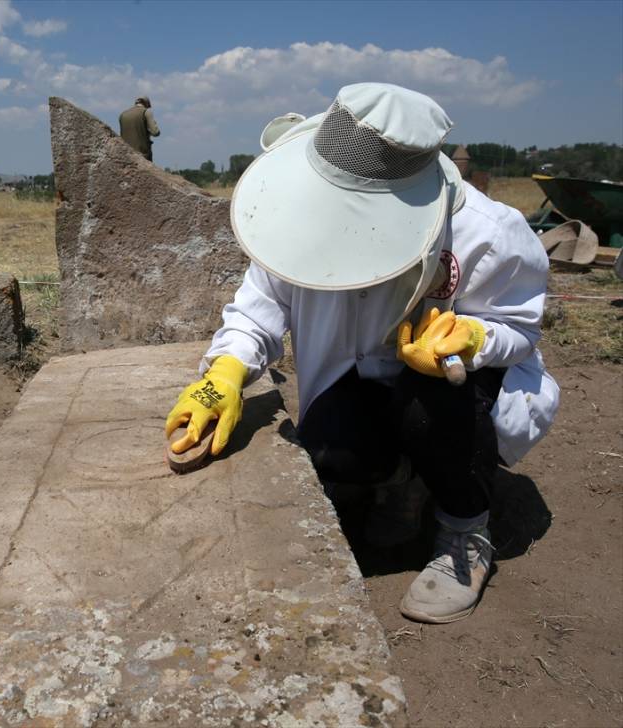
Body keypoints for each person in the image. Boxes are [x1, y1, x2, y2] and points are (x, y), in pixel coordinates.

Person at [165, 83, 558, 624]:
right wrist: (226, 372)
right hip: (356, 383)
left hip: (448, 396)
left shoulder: (484, 232)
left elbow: (518, 327)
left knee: (429, 405)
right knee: (325, 449)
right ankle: (404, 480)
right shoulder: (293, 208)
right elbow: (258, 309)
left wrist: (471, 339)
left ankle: (464, 529)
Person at [119, 96, 161, 161]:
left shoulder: (122, 114)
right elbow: (155, 132)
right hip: (142, 155)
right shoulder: (146, 112)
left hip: (125, 155)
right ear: (146, 104)